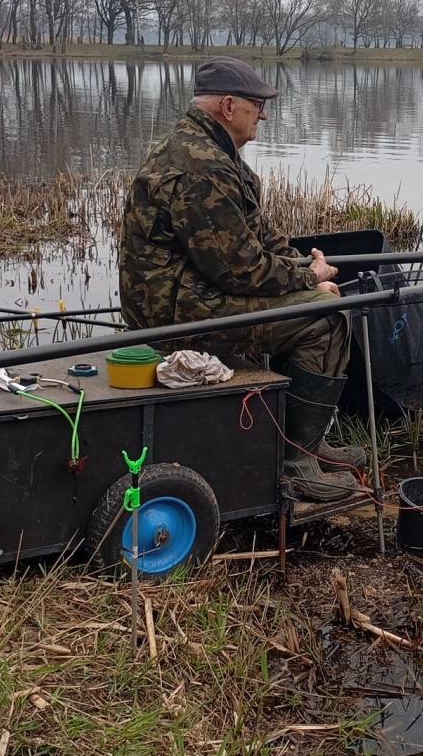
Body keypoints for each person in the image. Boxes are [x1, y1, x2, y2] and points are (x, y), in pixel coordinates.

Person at [119, 56, 362, 501]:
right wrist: (308, 279)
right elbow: (239, 270)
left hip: (193, 293)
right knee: (328, 319)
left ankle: (307, 441)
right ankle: (295, 462)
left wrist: (305, 268)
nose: (263, 115)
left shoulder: (213, 153)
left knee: (324, 301)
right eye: (257, 105)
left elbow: (259, 238)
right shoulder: (199, 166)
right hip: (173, 313)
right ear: (228, 106)